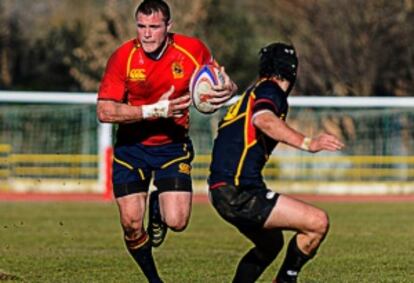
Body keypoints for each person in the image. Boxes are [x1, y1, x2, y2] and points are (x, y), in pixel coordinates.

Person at [97, 0, 237, 282]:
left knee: (178, 221)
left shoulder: (192, 50)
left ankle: (158, 205)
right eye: (141, 26)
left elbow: (221, 79)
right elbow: (104, 110)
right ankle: (154, 280)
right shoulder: (123, 56)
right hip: (131, 148)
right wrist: (154, 111)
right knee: (132, 225)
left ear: (168, 27)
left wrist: (227, 88)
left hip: (173, 146)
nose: (146, 34)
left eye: (154, 27)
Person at [208, 42, 344, 283]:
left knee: (270, 245)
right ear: (292, 70)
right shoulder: (271, 90)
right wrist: (307, 143)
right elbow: (264, 120)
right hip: (240, 191)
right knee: (317, 223)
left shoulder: (252, 93)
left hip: (222, 190)